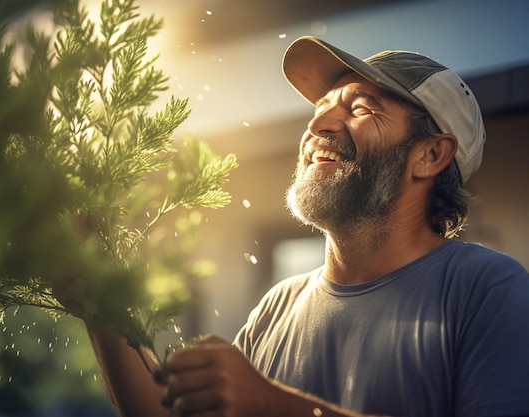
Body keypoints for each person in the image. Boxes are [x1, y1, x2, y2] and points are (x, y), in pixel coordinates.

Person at [64, 37, 529, 417]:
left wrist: (273, 406)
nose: (319, 124)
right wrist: (97, 298)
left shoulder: (488, 292)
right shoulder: (277, 308)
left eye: (361, 108)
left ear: (429, 155)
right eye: (322, 107)